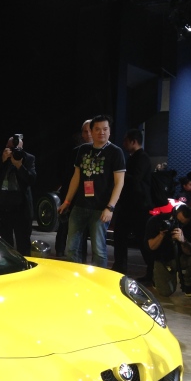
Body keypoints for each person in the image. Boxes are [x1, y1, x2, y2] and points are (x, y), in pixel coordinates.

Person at [57, 115, 126, 268]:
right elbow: (76, 177)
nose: (101, 132)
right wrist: (67, 201)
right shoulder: (83, 149)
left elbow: (119, 183)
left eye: (105, 129)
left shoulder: (116, 152)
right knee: (71, 248)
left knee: (99, 250)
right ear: (91, 131)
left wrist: (110, 207)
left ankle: (98, 284)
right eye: (97, 129)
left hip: (100, 209)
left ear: (109, 131)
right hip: (80, 206)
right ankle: (74, 280)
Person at [112, 129, 153, 280]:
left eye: (126, 141)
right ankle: (119, 267)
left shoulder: (142, 158)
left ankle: (152, 272)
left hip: (139, 206)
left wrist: (120, 174)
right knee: (120, 237)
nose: (124, 144)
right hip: (129, 205)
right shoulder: (134, 157)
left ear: (133, 141)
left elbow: (136, 179)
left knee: (142, 240)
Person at [0, 135, 37, 254]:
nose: (13, 151)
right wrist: (1, 160)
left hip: (21, 209)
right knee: (4, 246)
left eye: (17, 149)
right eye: (10, 148)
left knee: (24, 245)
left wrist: (19, 166)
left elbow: (31, 180)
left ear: (22, 148)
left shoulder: (28, 158)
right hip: (2, 208)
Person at [144, 204, 191, 297]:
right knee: (165, 292)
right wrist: (161, 235)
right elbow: (151, 247)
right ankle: (155, 277)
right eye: (179, 222)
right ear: (173, 215)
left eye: (184, 223)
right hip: (163, 259)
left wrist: (183, 241)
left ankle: (189, 284)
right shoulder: (156, 221)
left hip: (182, 258)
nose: (180, 225)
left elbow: (190, 252)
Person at [55, 119, 92, 259]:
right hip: (73, 198)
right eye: (85, 131)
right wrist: (67, 200)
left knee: (86, 235)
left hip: (92, 202)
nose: (87, 134)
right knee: (66, 228)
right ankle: (60, 254)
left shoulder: (105, 152)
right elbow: (67, 176)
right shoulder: (76, 152)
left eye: (90, 130)